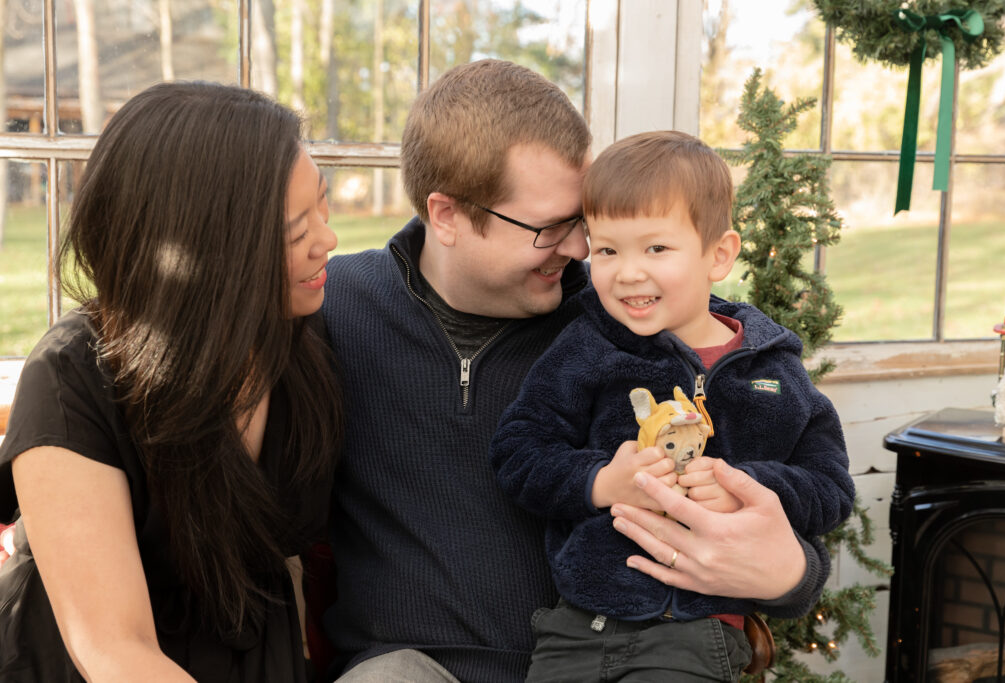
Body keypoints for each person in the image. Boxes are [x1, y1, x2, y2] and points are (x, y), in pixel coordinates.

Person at [320, 60, 833, 683]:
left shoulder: (624, 325)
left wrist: (792, 575)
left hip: (616, 655)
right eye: (551, 228)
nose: (580, 252)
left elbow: (773, 467)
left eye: (582, 225)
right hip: (415, 668)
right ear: (447, 214)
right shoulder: (335, 308)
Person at [0, 81, 343, 682]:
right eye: (295, 232)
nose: (328, 240)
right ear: (212, 253)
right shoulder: (72, 380)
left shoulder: (302, 342)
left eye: (323, 204)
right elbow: (115, 650)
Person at [489, 130, 855, 681]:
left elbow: (830, 489)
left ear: (719, 255)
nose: (628, 272)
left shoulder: (772, 370)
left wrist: (742, 487)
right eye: (608, 249)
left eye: (656, 248)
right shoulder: (588, 347)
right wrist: (599, 482)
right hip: (578, 627)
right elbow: (518, 450)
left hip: (696, 636)